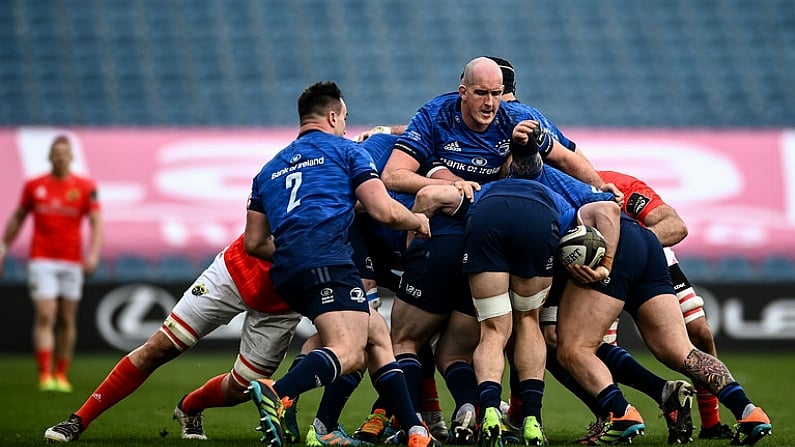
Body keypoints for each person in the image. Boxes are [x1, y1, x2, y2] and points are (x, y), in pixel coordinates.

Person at [379, 56, 617, 445]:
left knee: (411, 338)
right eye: (481, 94)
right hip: (471, 235)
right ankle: (509, 415)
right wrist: (451, 182)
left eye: (496, 94)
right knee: (517, 328)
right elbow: (394, 175)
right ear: (463, 92)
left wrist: (597, 182)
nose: (491, 104)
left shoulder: (516, 117)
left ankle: (417, 424)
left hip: (478, 237)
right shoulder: (435, 115)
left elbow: (566, 158)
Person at [242, 81, 436, 447]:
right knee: (349, 352)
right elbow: (382, 210)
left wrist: (293, 253)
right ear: (332, 116)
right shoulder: (347, 152)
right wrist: (417, 220)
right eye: (345, 118)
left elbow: (254, 242)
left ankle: (415, 432)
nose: (346, 126)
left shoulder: (267, 170)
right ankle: (278, 393)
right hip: (329, 260)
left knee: (376, 333)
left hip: (287, 272)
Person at [411, 169, 620, 447]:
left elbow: (429, 195)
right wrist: (605, 266)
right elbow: (608, 209)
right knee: (529, 322)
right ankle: (532, 420)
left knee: (493, 331)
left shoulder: (482, 188)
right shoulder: (555, 195)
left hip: (488, 218)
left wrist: (411, 254)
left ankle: (489, 411)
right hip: (539, 220)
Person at [41, 234, 302, 442]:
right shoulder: (275, 176)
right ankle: (78, 420)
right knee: (160, 347)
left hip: (283, 304)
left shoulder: (341, 196)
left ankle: (189, 408)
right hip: (235, 273)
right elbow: (255, 238)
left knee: (245, 388)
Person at [552, 211, 773, 445]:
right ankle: (748, 412)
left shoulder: (558, 185)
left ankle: (620, 415)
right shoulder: (609, 184)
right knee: (681, 350)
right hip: (650, 250)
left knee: (572, 347)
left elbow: (677, 226)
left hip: (611, 253)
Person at [597, 169, 736, 440]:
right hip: (601, 269)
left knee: (700, 332)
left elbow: (675, 226)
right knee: (598, 349)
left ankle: (711, 423)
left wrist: (629, 245)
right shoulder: (562, 190)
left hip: (651, 263)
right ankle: (615, 418)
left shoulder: (621, 185)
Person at [0, 135, 103, 393]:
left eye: (64, 153)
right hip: (41, 259)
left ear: (71, 157)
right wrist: (2, 248)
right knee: (46, 314)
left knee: (67, 319)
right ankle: (45, 374)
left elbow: (96, 222)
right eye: (56, 152)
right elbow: (18, 218)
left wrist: (92, 255)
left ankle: (62, 373)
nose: (60, 157)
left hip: (72, 261)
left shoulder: (85, 186)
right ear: (49, 156)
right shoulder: (34, 185)